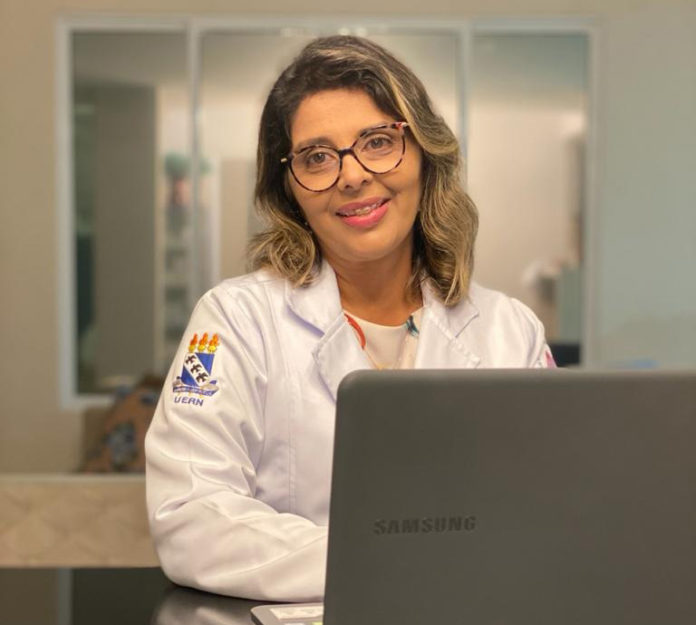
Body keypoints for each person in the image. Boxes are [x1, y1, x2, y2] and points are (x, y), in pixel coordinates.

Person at [145, 35, 555, 603]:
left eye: (378, 142)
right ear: (289, 190)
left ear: (424, 154)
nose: (352, 175)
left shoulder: (510, 331)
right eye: (316, 157)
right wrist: (393, 563)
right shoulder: (235, 321)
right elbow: (191, 519)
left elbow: (551, 515)